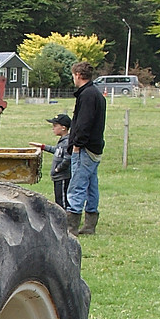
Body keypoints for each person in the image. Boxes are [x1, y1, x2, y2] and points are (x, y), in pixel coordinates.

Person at [65, 61, 106, 235]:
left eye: (73, 75)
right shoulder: (96, 93)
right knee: (91, 186)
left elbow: (84, 123)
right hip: (95, 147)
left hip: (85, 149)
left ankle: (71, 226)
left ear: (79, 75)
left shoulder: (87, 95)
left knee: (77, 185)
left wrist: (77, 144)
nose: (73, 78)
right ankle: (90, 224)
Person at [36, 113, 73, 211]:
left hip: (63, 177)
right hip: (58, 177)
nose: (53, 128)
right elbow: (57, 151)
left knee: (63, 202)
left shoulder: (67, 142)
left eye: (55, 126)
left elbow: (67, 159)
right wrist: (43, 147)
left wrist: (58, 169)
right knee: (58, 200)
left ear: (63, 128)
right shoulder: (62, 141)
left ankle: (65, 217)